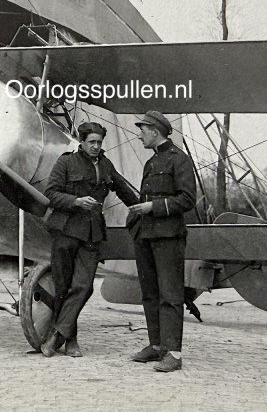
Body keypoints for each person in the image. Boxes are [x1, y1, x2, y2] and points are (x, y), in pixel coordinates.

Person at [40, 122, 139, 358]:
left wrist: (141, 208)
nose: (96, 146)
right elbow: (50, 194)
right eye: (91, 142)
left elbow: (124, 190)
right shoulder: (65, 162)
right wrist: (76, 201)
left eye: (99, 142)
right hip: (66, 230)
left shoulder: (106, 165)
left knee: (83, 286)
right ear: (81, 141)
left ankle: (56, 337)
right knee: (63, 288)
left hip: (93, 234)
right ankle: (71, 340)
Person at [126, 111, 196, 373]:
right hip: (145, 235)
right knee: (150, 294)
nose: (139, 134)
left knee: (171, 294)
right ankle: (156, 346)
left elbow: (187, 200)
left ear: (155, 131)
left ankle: (174, 354)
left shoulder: (180, 160)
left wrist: (152, 207)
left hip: (168, 237)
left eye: (142, 129)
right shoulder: (151, 162)